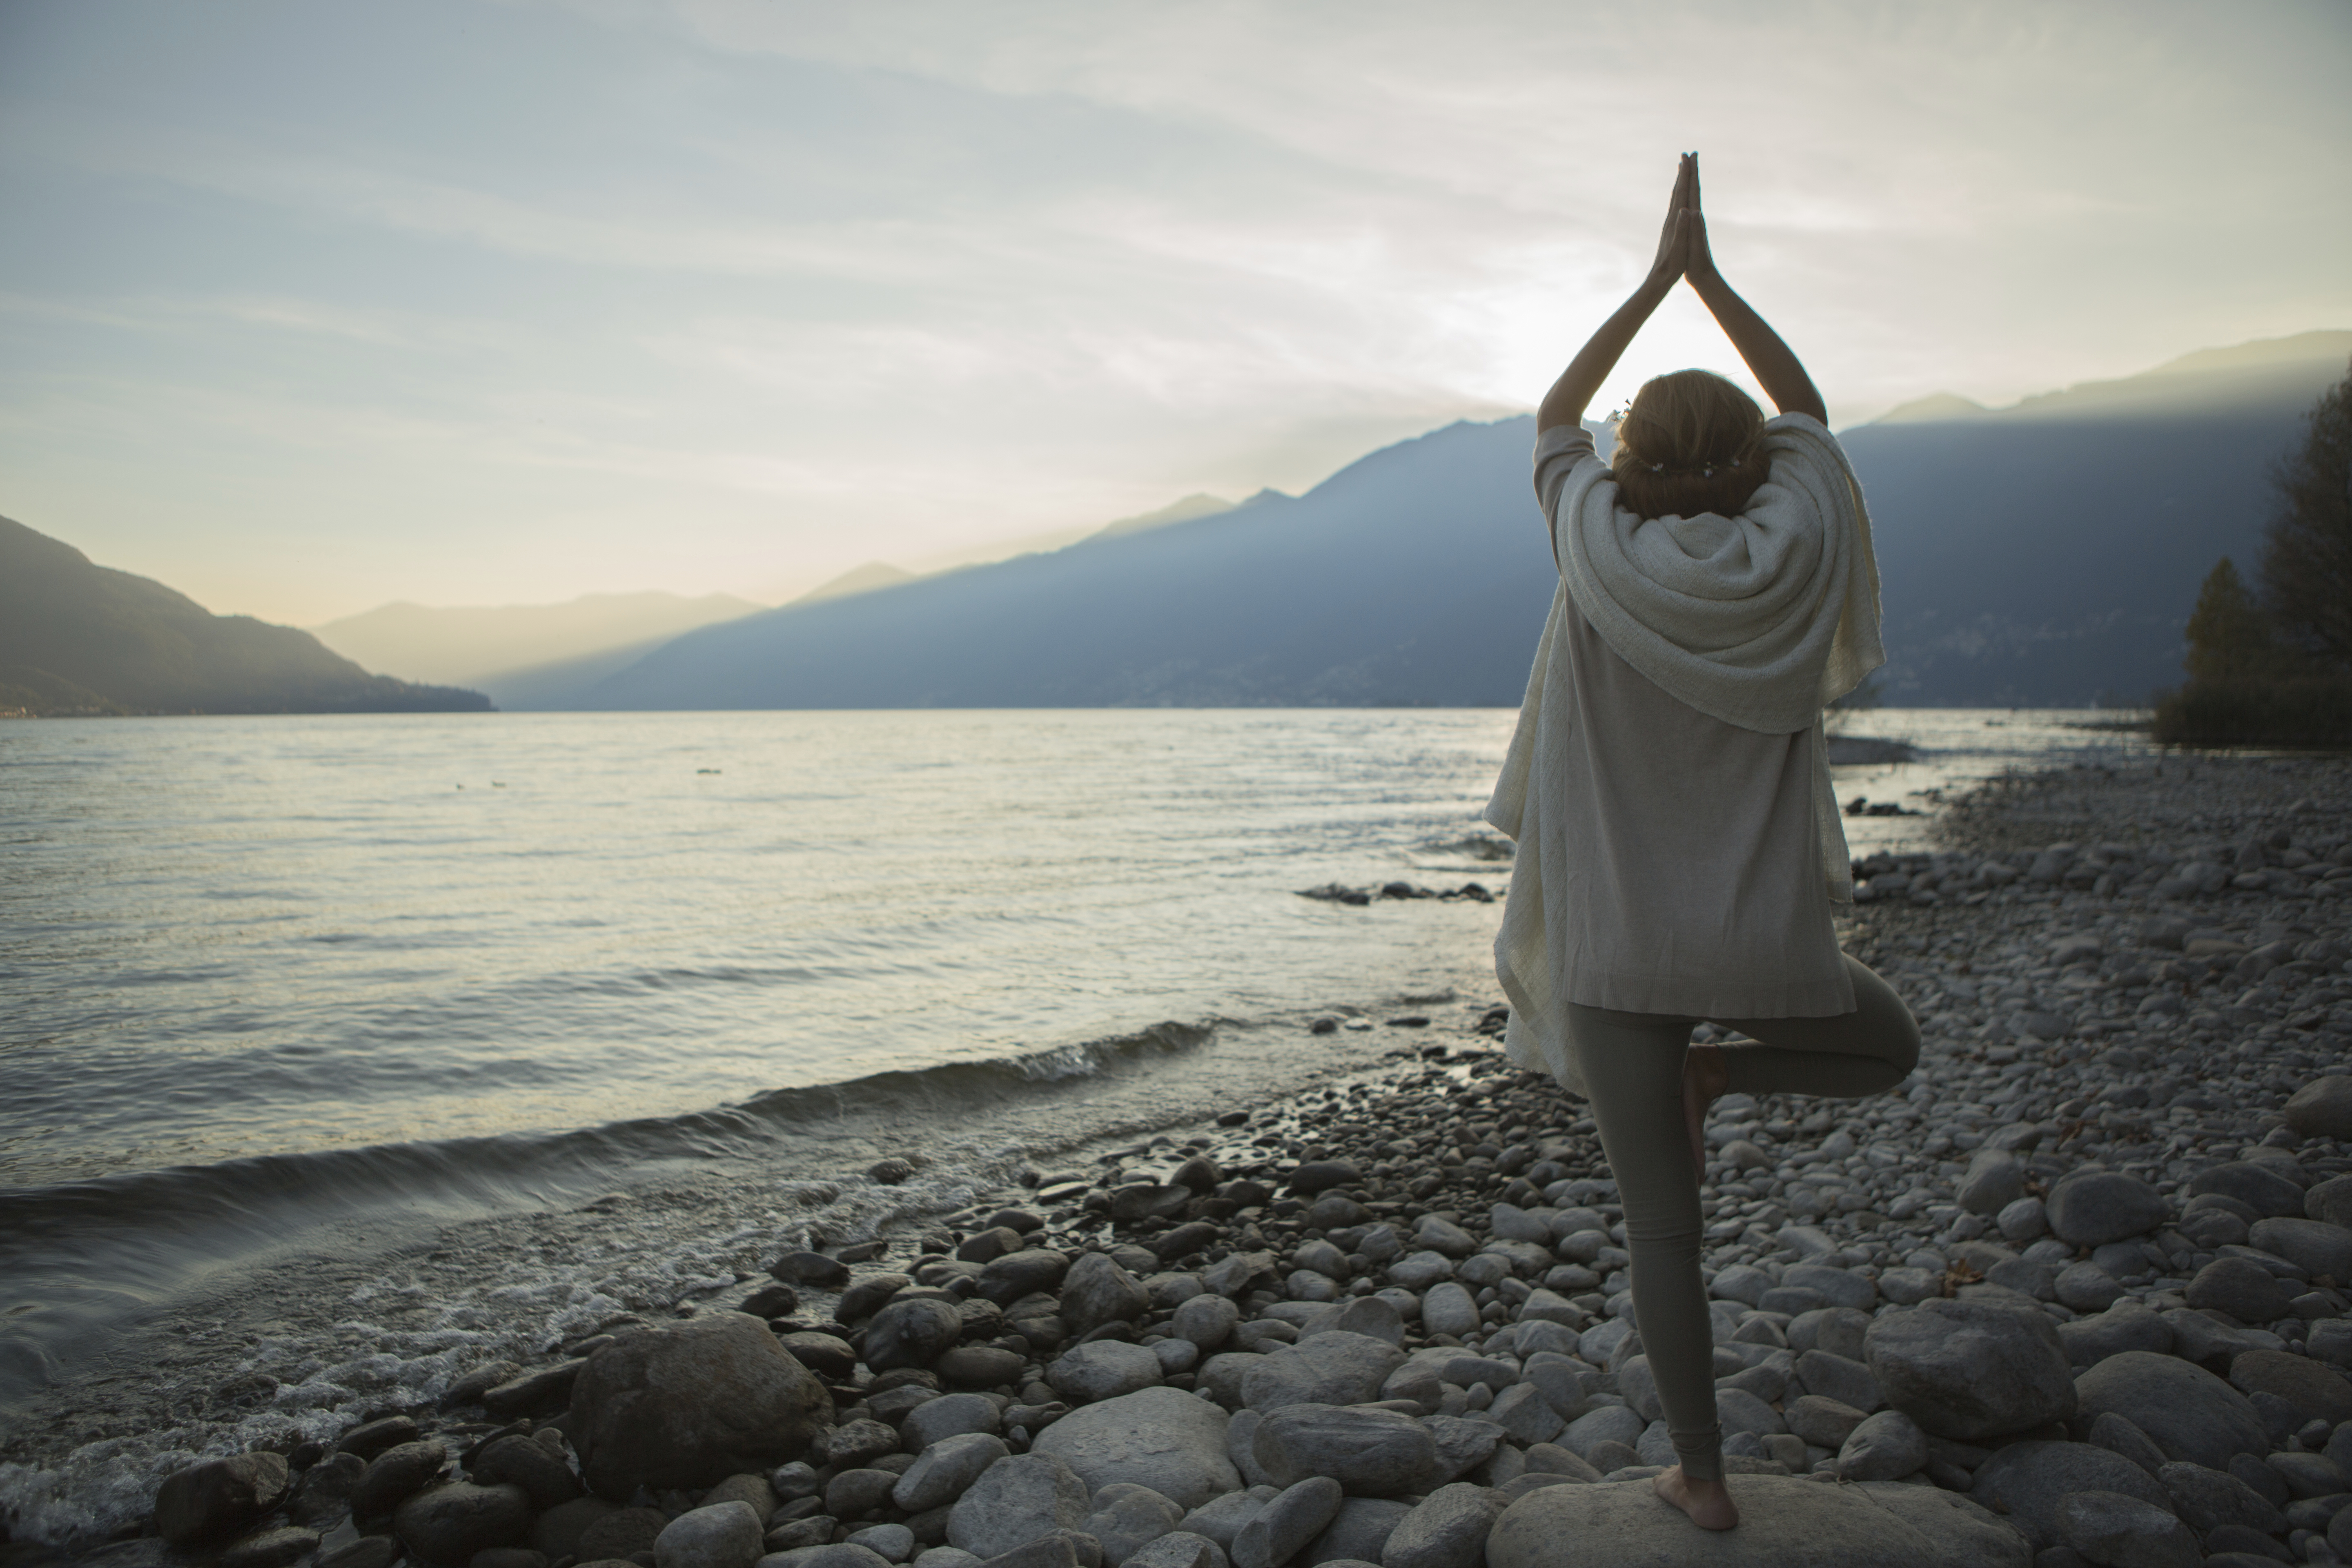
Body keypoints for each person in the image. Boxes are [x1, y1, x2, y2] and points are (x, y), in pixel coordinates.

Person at [1483, 154, 1921, 1532]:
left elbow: (1554, 414)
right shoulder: (1794, 552)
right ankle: (1725, 1072)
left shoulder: (1592, 546)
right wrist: (1713, 284)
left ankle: (1705, 1481)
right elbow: (1807, 414)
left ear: (1625, 464)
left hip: (1618, 950)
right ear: (1751, 467)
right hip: (1758, 933)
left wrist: (1646, 288)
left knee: (1664, 1232)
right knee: (1888, 1048)